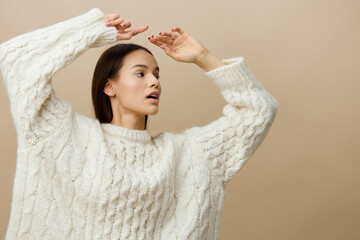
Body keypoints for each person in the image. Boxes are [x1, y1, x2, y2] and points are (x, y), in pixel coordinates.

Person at [0, 8, 278, 240]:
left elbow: (258, 111)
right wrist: (92, 31)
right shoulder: (63, 134)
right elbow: (16, 60)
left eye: (156, 74)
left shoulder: (189, 154)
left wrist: (203, 56)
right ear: (110, 86)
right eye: (140, 73)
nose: (154, 81)